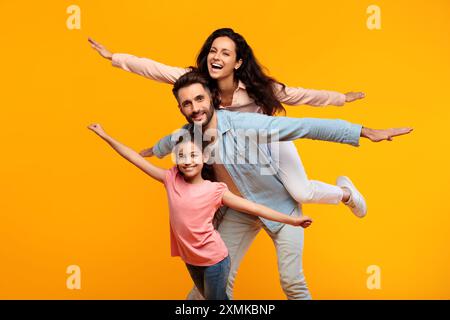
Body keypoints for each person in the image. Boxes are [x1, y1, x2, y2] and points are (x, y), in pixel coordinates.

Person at [129, 71, 411, 299]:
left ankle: (345, 193)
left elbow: (306, 127)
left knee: (292, 284)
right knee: (213, 286)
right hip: (240, 212)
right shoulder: (189, 134)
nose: (194, 108)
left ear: (212, 98)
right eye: (186, 103)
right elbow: (169, 141)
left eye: (200, 99)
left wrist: (365, 132)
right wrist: (152, 150)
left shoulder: (245, 124)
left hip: (280, 207)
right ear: (180, 107)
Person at [88, 28, 368, 218]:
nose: (216, 57)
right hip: (235, 152)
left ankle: (344, 193)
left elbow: (299, 95)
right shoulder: (197, 82)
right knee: (225, 200)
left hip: (270, 142)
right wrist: (115, 57)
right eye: (213, 50)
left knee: (301, 191)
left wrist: (341, 98)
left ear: (237, 62)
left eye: (224, 53)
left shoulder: (257, 86)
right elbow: (155, 69)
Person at [87, 123, 313, 300]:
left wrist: (291, 221)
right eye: (182, 156)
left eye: (193, 155)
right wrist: (105, 136)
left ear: (204, 158)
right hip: (191, 259)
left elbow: (253, 207)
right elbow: (133, 158)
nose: (187, 161)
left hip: (215, 260)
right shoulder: (170, 179)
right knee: (204, 296)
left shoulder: (215, 190)